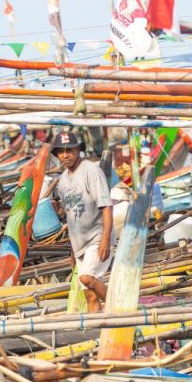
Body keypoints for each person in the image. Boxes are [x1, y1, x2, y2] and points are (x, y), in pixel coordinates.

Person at [52, 131, 114, 312]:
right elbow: (71, 217)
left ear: (78, 150)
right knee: (89, 294)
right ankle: (95, 329)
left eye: (69, 150)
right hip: (80, 244)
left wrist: (105, 239)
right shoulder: (63, 180)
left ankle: (120, 309)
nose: (65, 155)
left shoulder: (91, 171)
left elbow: (107, 206)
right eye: (61, 152)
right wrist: (73, 249)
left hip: (97, 237)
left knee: (86, 278)